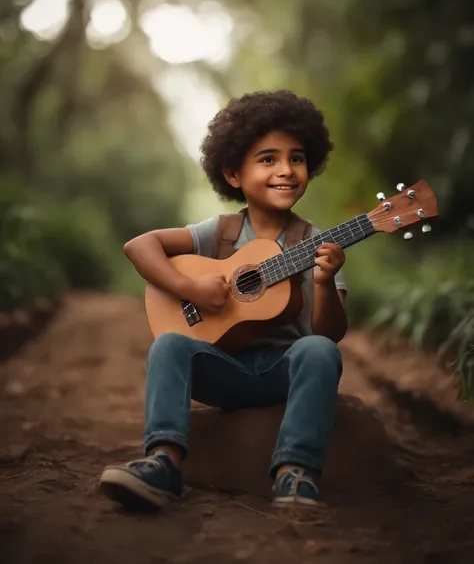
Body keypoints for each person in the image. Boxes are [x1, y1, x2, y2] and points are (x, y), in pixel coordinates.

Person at [99, 90, 347, 510]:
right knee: (169, 344)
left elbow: (331, 334)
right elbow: (139, 246)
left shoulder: (319, 244)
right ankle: (163, 463)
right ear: (233, 174)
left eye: (297, 158)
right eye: (267, 159)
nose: (286, 170)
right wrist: (190, 289)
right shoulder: (221, 232)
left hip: (282, 373)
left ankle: (295, 473)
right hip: (220, 367)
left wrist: (324, 282)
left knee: (319, 351)